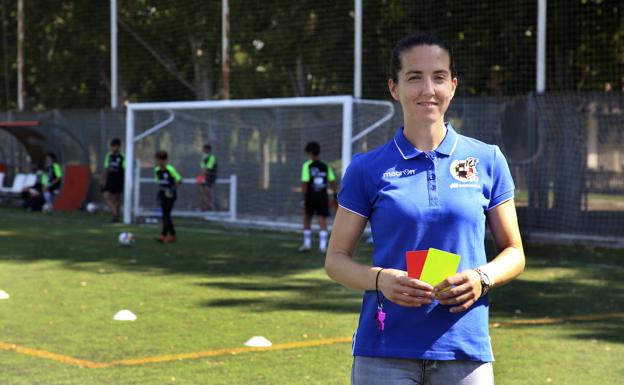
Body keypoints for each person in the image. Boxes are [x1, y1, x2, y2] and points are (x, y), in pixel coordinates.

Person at [324, 32, 525, 385]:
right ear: (394, 88)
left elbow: (514, 252)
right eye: (414, 77)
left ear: (453, 86)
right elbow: (336, 259)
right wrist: (380, 279)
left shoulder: (488, 159)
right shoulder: (367, 168)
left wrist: (482, 278)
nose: (427, 89)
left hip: (464, 350)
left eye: (439, 77)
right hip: (384, 352)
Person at [299, 141, 337, 253]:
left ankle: (307, 245)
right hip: (322, 197)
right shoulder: (325, 165)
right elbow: (332, 181)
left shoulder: (307, 165)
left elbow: (305, 183)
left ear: (310, 153)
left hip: (310, 197)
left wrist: (302, 198)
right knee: (322, 220)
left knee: (307, 218)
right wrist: (335, 195)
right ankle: (323, 247)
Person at [154, 150, 182, 244]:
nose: (157, 162)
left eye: (159, 160)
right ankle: (172, 235)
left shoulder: (170, 169)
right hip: (162, 195)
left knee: (166, 214)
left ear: (164, 160)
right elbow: (158, 182)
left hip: (170, 195)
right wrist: (159, 192)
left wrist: (172, 190)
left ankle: (164, 235)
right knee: (166, 215)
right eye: (157, 160)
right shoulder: (157, 170)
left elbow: (179, 180)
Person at [101, 138, 125, 222]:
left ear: (119, 147)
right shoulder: (109, 156)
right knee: (105, 195)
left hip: (118, 179)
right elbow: (106, 168)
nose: (113, 148)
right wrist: (103, 179)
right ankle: (114, 212)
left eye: (114, 146)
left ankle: (116, 216)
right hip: (110, 179)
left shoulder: (123, 157)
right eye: (112, 146)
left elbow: (125, 169)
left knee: (117, 198)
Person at [199, 143, 217, 211]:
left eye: (205, 150)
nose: (204, 151)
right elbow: (202, 168)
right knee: (201, 191)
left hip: (210, 176)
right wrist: (201, 176)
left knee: (207, 191)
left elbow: (208, 168)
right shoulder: (203, 158)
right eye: (203, 150)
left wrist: (204, 173)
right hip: (204, 176)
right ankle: (202, 207)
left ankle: (209, 207)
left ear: (209, 150)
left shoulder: (212, 157)